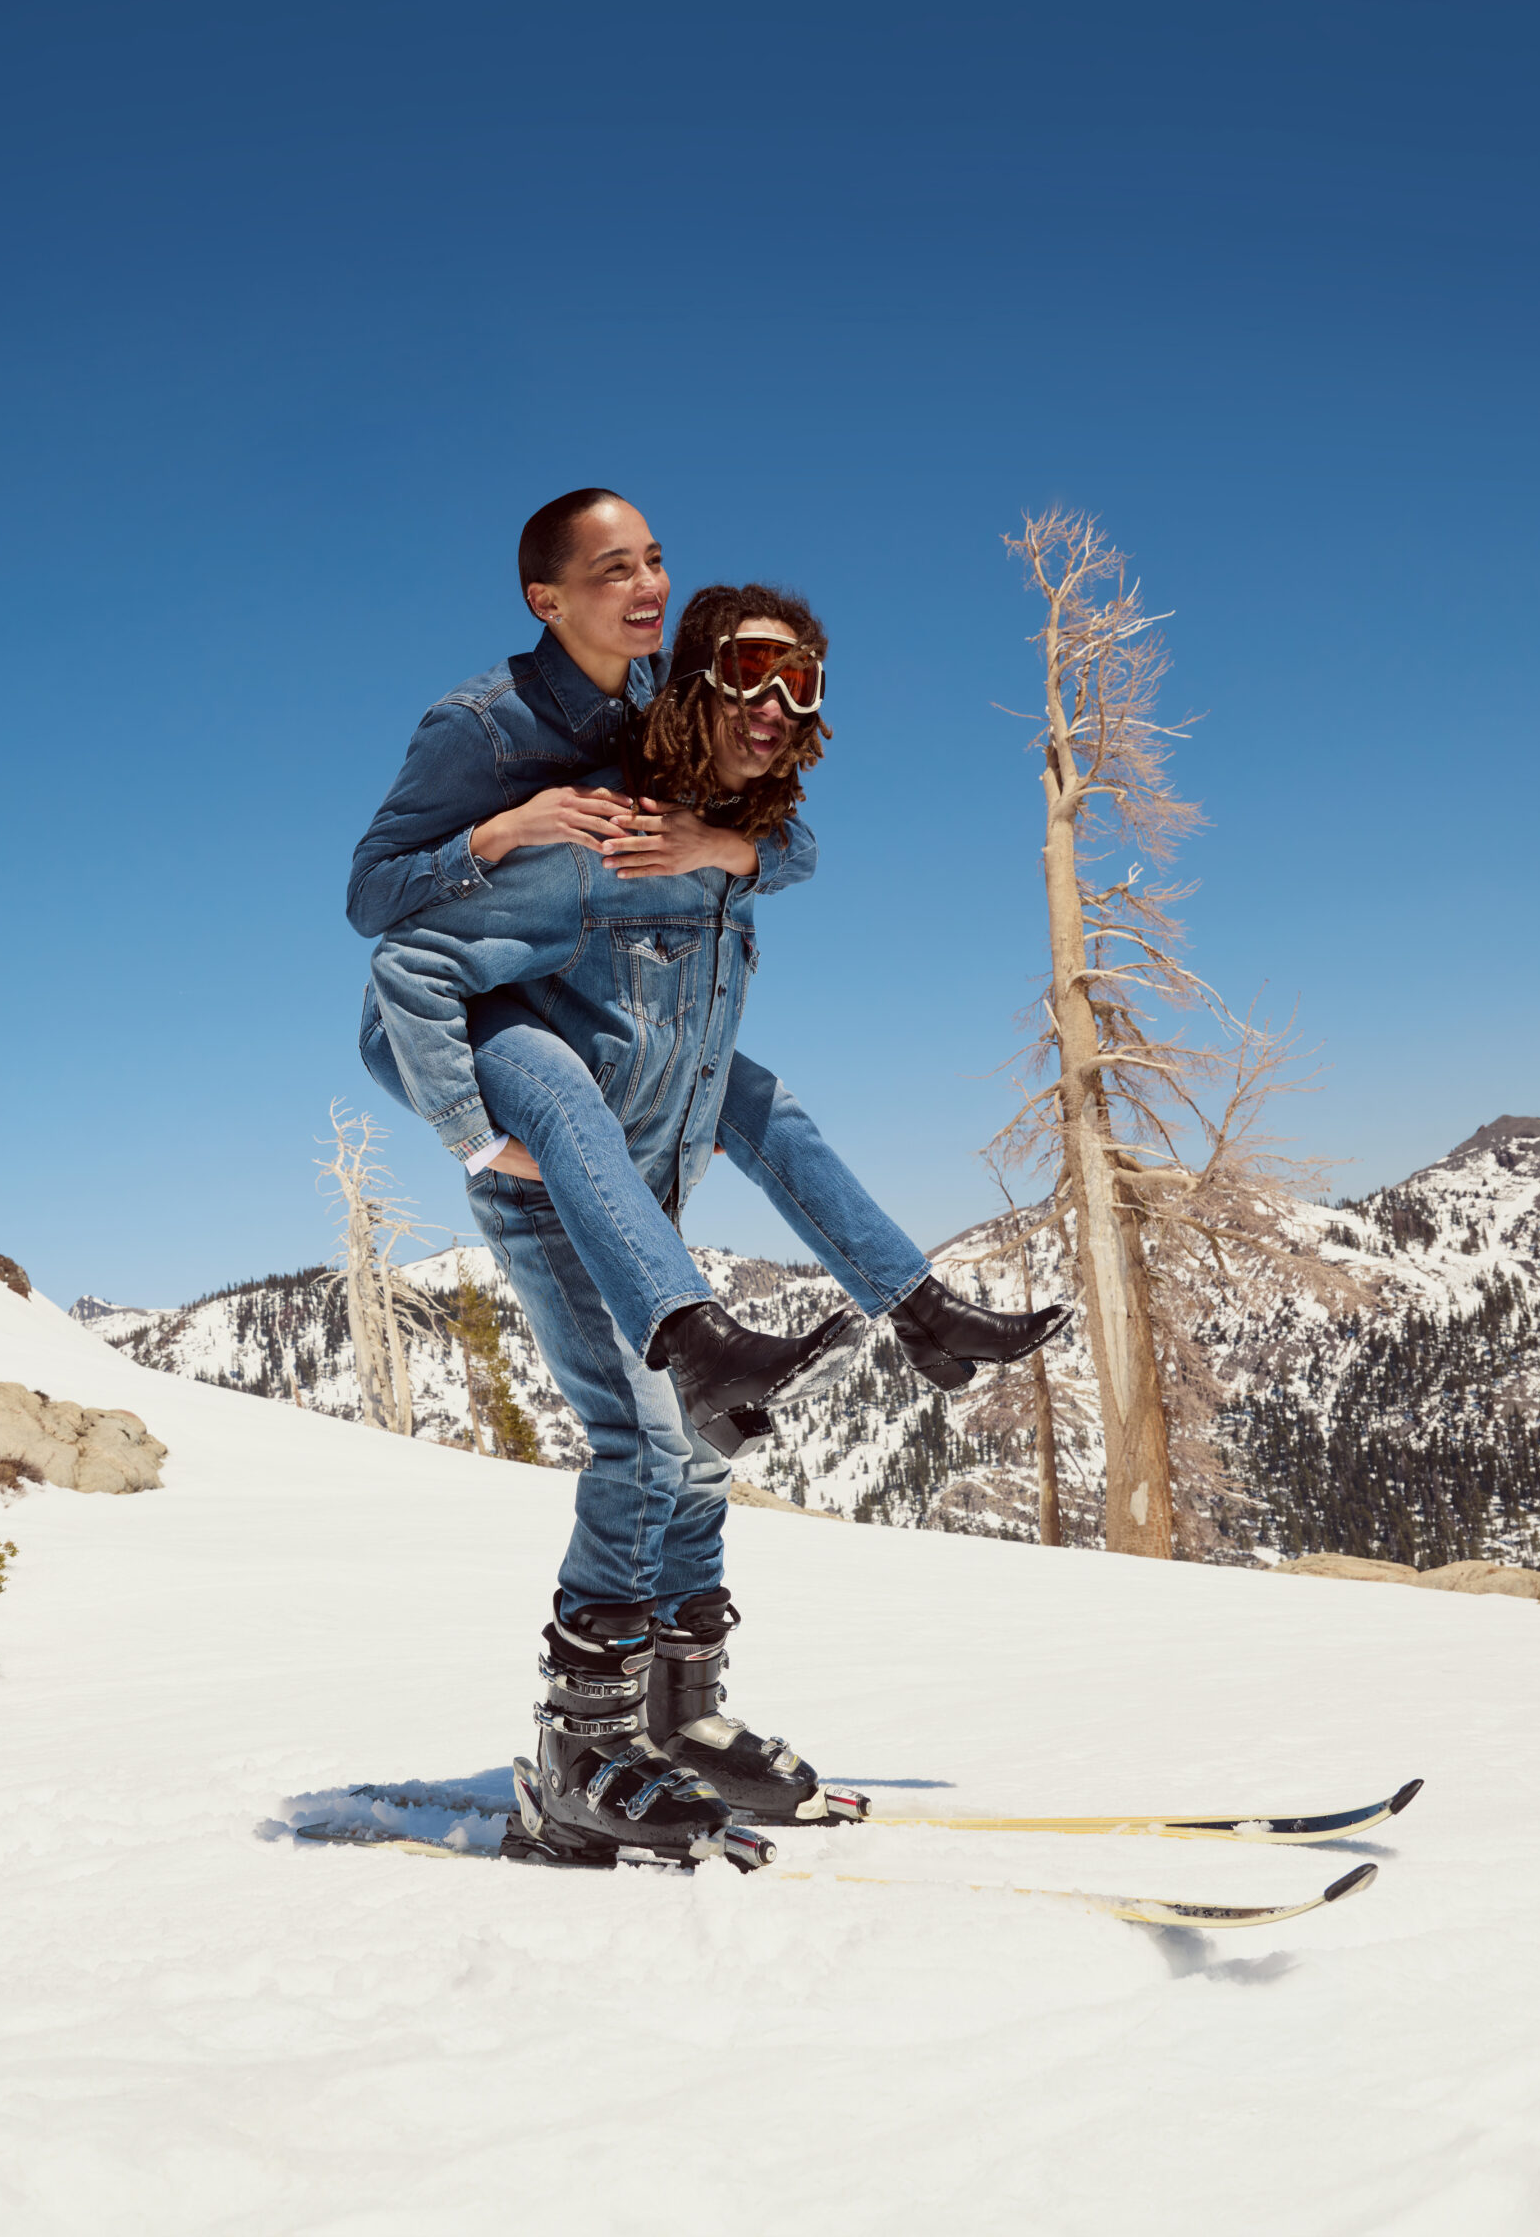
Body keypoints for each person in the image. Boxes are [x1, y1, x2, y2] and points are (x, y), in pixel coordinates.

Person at [354, 573, 1063, 1867]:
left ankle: (678, 1722)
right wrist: (480, 1119)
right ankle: (579, 1751)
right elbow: (402, 966)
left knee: (697, 1431)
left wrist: (728, 849)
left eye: (806, 681)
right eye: (754, 669)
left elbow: (790, 852)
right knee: (640, 1443)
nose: (781, 701)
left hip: (650, 1174)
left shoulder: (727, 848)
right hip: (560, 1181)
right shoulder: (604, 829)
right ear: (696, 678)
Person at [349, 489, 1064, 1409]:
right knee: (562, 1090)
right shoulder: (491, 731)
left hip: (546, 983)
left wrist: (725, 846)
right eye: (615, 570)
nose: (649, 586)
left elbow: (786, 841)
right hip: (436, 1017)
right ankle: (695, 1341)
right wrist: (501, 834)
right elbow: (377, 911)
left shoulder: (659, 705)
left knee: (755, 1095)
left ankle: (920, 1311)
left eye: (654, 558)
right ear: (547, 601)